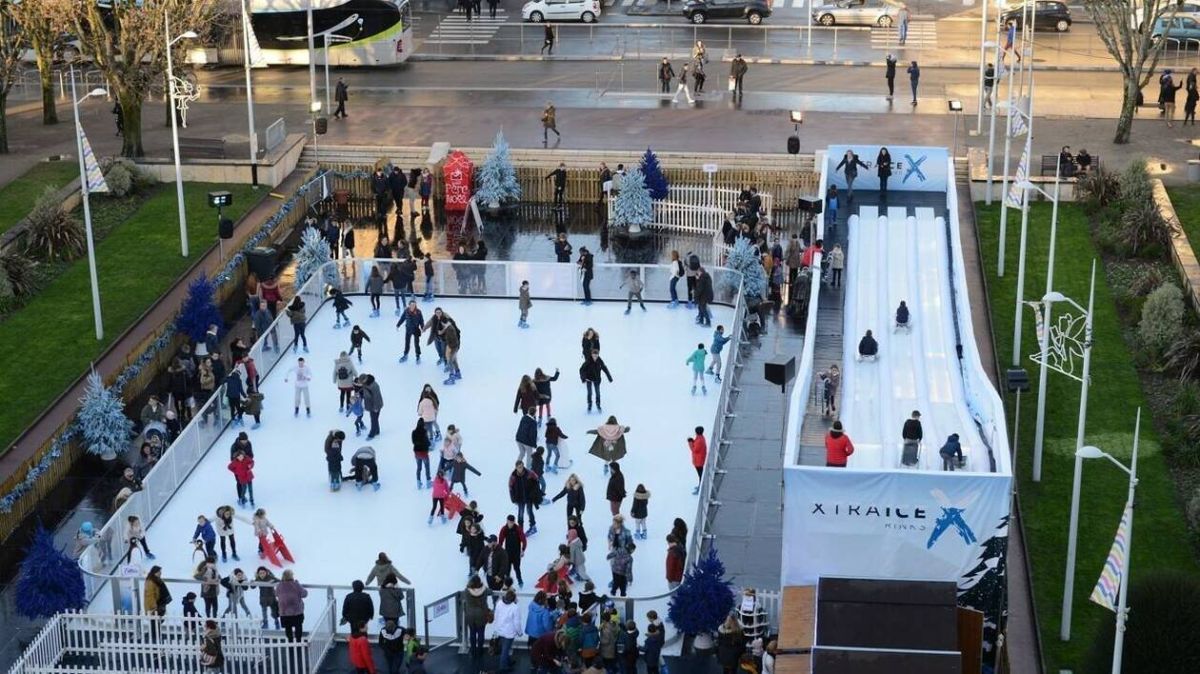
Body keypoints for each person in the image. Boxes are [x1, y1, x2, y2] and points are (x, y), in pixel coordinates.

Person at [493, 589, 523, 670]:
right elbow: (517, 623)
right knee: (505, 650)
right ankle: (503, 667)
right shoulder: (515, 607)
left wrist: (497, 627)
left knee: (505, 648)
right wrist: (519, 632)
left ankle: (508, 661)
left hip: (500, 630)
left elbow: (496, 615)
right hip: (509, 633)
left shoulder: (499, 603)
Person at [510, 460, 541, 534]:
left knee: (529, 511)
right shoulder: (513, 476)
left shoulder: (529, 473)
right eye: (519, 467)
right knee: (520, 513)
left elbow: (537, 480)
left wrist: (534, 492)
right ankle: (520, 529)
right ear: (516, 467)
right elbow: (510, 487)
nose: (520, 468)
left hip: (529, 496)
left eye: (521, 467)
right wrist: (513, 498)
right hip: (520, 497)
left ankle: (533, 526)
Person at [276, 569, 307, 641]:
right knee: (298, 626)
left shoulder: (279, 585)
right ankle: (298, 641)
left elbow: (276, 594)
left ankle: (290, 642)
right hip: (296, 611)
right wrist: (299, 585)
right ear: (291, 576)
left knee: (288, 627)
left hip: (284, 612)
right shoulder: (296, 585)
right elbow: (304, 594)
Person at [499, 515, 528, 587]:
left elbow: (524, 540)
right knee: (507, 569)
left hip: (516, 553)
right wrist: (500, 550)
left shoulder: (518, 529)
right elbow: (500, 540)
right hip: (507, 552)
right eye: (508, 522)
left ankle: (520, 580)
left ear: (514, 522)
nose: (510, 524)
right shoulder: (504, 529)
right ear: (507, 521)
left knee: (517, 568)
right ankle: (507, 583)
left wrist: (523, 550)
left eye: (511, 522)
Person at [413, 418, 432, 488]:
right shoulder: (424, 432)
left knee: (419, 467)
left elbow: (413, 441)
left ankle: (418, 482)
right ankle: (428, 481)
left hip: (417, 453)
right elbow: (427, 442)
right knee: (427, 467)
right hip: (424, 453)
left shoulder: (414, 432)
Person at [688, 427, 707, 495]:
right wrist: (693, 441)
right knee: (700, 474)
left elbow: (694, 450)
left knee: (700, 475)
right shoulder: (700, 437)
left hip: (698, 461)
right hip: (699, 459)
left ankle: (701, 488)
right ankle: (700, 486)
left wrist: (690, 442)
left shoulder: (699, 440)